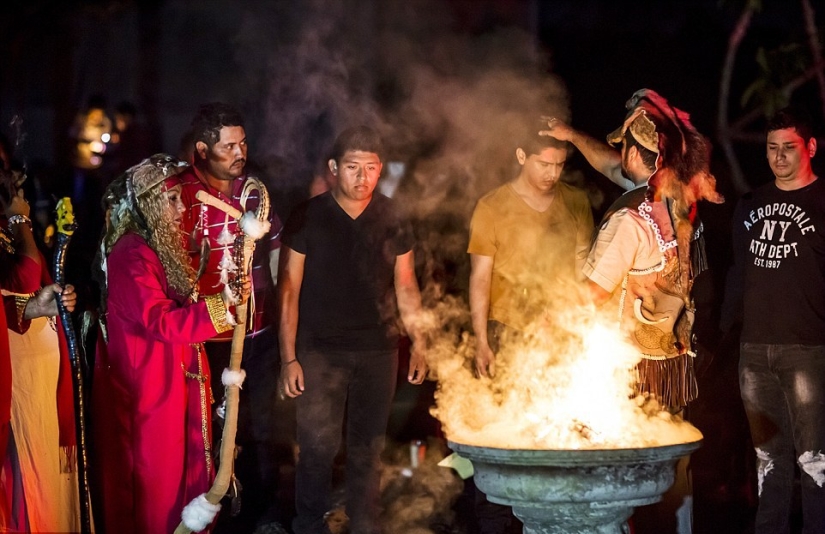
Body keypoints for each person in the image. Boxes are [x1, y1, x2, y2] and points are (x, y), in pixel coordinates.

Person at [541, 89, 722, 534]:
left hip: (633, 367)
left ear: (635, 154)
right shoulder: (680, 200)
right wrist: (569, 134)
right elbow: (612, 165)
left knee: (626, 475)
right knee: (671, 468)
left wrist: (547, 323)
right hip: (675, 362)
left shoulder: (629, 220)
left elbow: (593, 293)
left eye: (623, 146)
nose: (617, 153)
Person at [279, 126, 427, 534]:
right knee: (316, 449)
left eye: (371, 168)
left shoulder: (393, 216)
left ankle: (365, 526)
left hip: (379, 352)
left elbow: (406, 284)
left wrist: (419, 342)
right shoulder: (308, 215)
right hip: (319, 353)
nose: (362, 178)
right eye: (352, 167)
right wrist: (288, 357)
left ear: (381, 170)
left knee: (368, 451)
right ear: (333, 168)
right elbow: (288, 289)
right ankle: (308, 525)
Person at [90, 154, 249, 534]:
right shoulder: (131, 254)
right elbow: (160, 321)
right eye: (172, 200)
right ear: (147, 204)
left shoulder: (152, 249)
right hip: (147, 395)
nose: (182, 208)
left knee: (181, 485)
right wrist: (220, 309)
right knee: (156, 496)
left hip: (169, 387)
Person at [466, 127, 593, 533]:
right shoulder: (492, 206)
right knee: (503, 435)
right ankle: (495, 522)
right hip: (507, 331)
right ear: (522, 155)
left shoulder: (575, 201)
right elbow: (480, 278)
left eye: (559, 164)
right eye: (544, 163)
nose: (552, 172)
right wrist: (482, 340)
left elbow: (583, 269)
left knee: (553, 435)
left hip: (558, 335)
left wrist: (579, 330)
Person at [177, 102, 285, 530]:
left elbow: (275, 254)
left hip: (256, 336)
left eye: (243, 143)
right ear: (203, 149)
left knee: (258, 427)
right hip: (203, 339)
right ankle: (207, 515)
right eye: (229, 146)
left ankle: (259, 517)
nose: (240, 152)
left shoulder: (254, 193)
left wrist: (277, 317)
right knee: (206, 432)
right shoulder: (182, 197)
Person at [726, 107, 825, 534]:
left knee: (814, 460)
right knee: (768, 460)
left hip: (807, 348)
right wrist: (724, 333)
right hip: (754, 352)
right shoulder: (751, 203)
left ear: (811, 148)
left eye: (789, 147)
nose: (779, 156)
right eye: (771, 148)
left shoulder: (823, 203)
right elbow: (737, 274)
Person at [0, 167, 79, 531]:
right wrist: (20, 220)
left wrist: (47, 304)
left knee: (45, 486)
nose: (17, 188)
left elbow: (21, 296)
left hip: (38, 380)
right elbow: (24, 278)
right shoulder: (13, 227)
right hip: (15, 380)